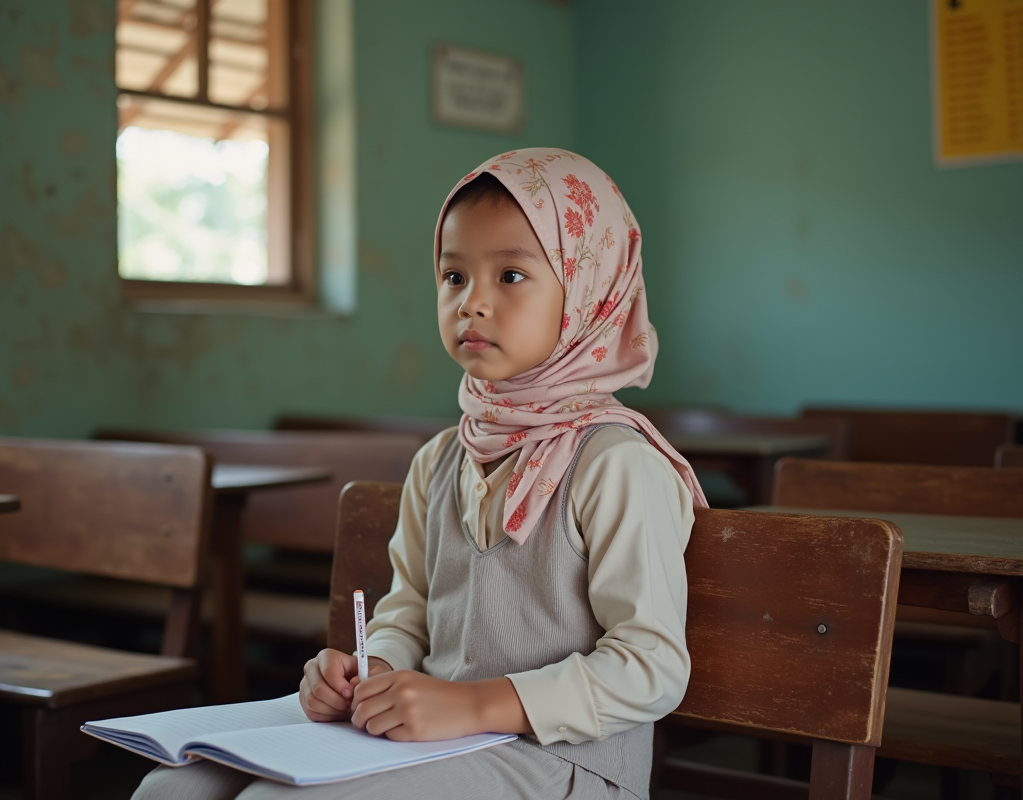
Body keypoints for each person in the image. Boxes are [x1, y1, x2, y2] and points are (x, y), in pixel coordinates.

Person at [130, 148, 707, 800]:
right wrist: (366, 669)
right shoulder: (441, 458)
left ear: (589, 293)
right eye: (454, 276)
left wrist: (473, 706)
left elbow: (651, 667)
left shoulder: (616, 463)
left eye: (511, 275)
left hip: (568, 762)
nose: (473, 304)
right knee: (170, 790)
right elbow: (407, 615)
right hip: (439, 735)